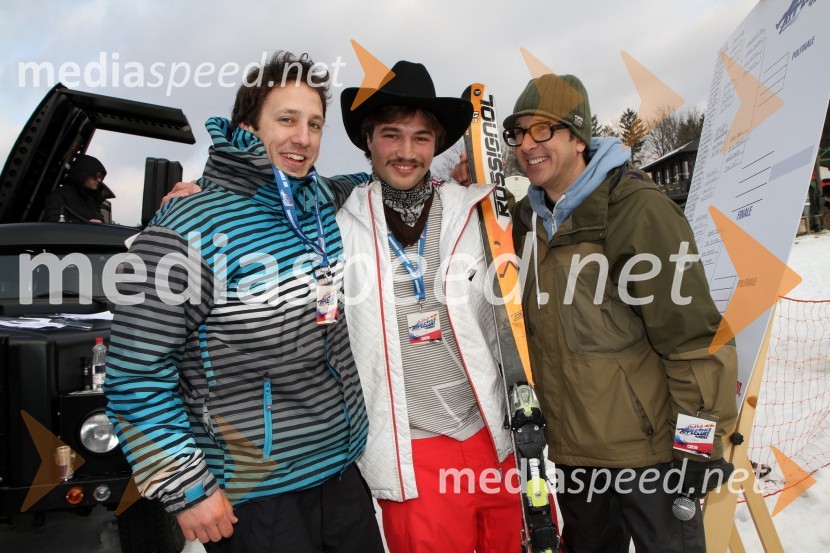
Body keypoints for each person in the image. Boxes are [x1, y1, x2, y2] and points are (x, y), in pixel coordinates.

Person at [104, 51, 384, 553]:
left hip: (340, 475)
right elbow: (134, 372)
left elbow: (374, 181)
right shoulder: (190, 226)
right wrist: (187, 488)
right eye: (286, 119)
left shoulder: (317, 200)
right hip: (258, 496)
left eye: (315, 124)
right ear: (247, 127)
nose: (303, 137)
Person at [456, 73, 738, 552]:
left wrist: (697, 447)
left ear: (579, 136)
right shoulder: (526, 224)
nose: (528, 145)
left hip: (650, 458)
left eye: (543, 130)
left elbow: (692, 339)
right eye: (518, 133)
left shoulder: (634, 211)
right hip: (573, 456)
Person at [335, 61, 523, 552]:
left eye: (420, 138)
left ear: (437, 144)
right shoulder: (337, 225)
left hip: (493, 435)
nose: (405, 152)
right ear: (368, 141)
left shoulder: (476, 211)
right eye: (391, 135)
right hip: (410, 450)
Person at [43, 154, 115, 222]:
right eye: (96, 175)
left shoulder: (92, 202)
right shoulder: (58, 196)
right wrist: (86, 225)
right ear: (83, 173)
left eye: (101, 177)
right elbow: (53, 222)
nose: (99, 180)